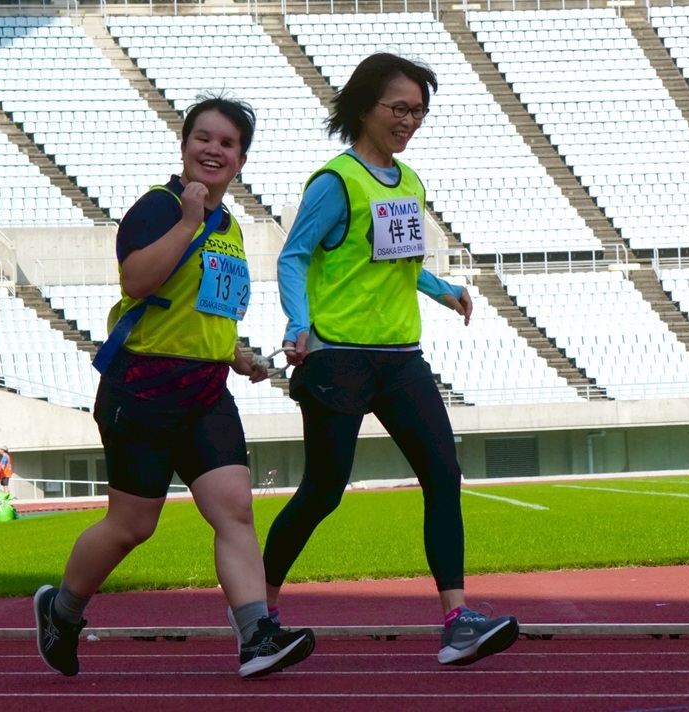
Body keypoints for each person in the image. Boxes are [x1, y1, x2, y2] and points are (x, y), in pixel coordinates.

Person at [33, 94, 314, 680]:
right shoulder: (160, 206)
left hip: (207, 389)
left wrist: (236, 354)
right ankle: (61, 610)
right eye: (203, 138)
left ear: (241, 160)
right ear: (185, 146)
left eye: (227, 143)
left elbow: (202, 307)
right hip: (144, 386)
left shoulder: (230, 226)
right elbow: (137, 281)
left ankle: (256, 635)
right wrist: (188, 221)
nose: (214, 150)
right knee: (132, 525)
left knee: (235, 510)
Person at [262, 53, 519, 666]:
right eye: (399, 108)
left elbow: (401, 262)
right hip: (338, 359)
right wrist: (299, 326)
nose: (410, 120)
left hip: (402, 357)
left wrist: (445, 290)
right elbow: (293, 257)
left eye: (420, 111)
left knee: (443, 475)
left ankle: (457, 621)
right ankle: (260, 613)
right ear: (363, 107)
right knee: (324, 491)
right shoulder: (334, 182)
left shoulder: (409, 182)